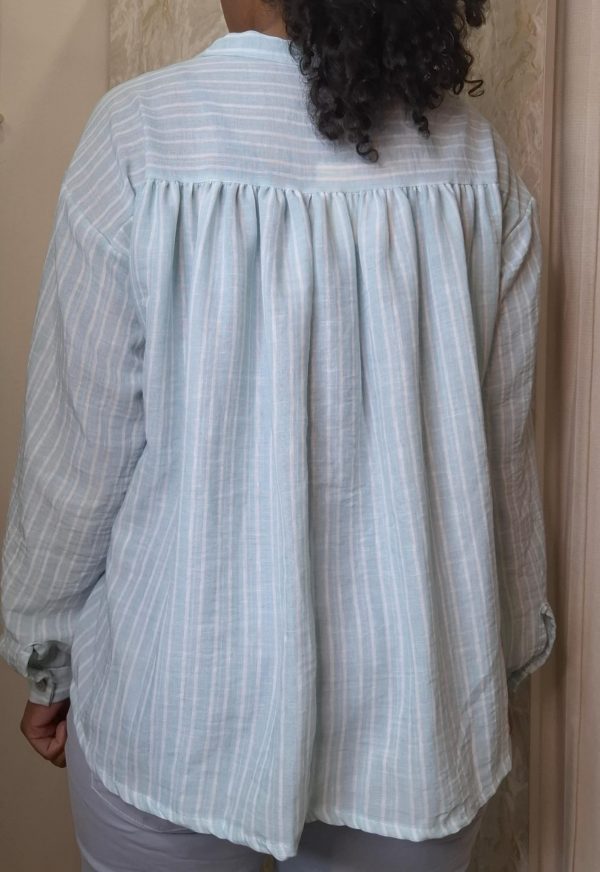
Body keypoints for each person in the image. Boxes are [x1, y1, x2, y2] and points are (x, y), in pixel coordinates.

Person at [0, 0, 557, 869]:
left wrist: (48, 658)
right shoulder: (476, 165)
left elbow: (75, 462)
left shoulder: (141, 138)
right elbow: (502, 472)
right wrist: (505, 655)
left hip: (175, 715)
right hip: (413, 730)